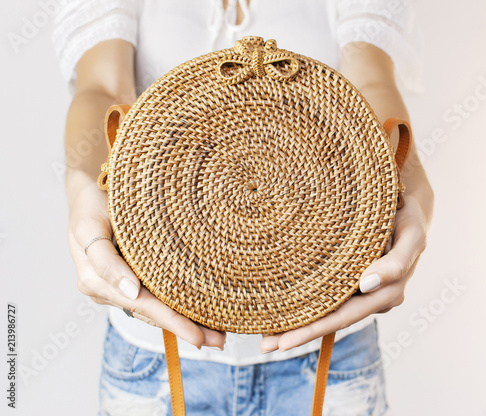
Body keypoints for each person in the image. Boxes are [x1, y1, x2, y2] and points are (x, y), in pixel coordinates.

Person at [53, 0, 433, 414]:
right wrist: (84, 187)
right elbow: (102, 89)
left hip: (331, 353)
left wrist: (405, 192)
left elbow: (371, 85)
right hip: (155, 361)